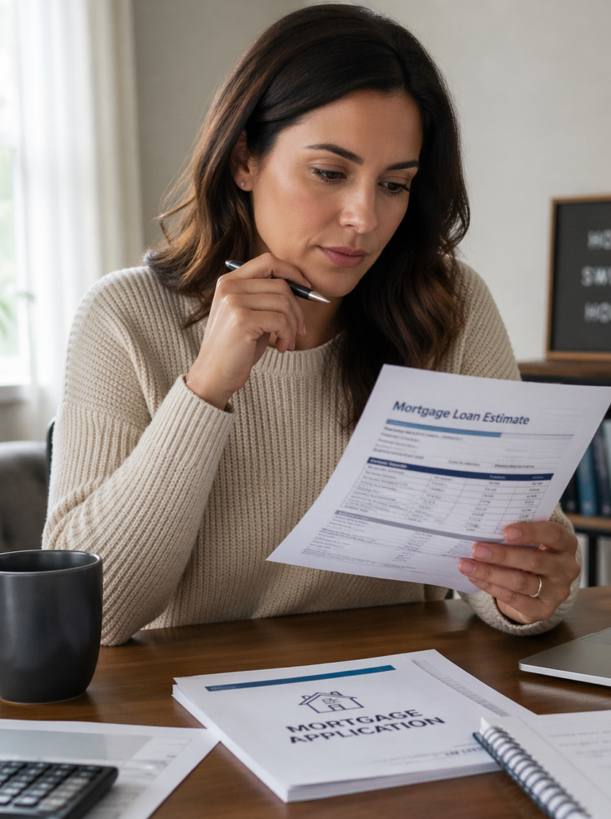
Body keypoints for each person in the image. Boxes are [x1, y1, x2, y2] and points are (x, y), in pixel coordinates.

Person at [45, 4, 580, 646]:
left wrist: (529, 589)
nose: (364, 217)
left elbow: (511, 570)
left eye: (395, 185)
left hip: (401, 698)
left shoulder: (449, 303)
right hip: (185, 708)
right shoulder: (124, 318)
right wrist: (205, 390)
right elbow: (90, 616)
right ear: (244, 159)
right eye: (330, 173)